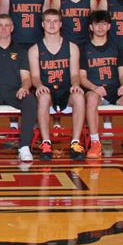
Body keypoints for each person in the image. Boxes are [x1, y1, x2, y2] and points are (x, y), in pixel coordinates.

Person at [79, 10, 123, 158]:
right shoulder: (83, 48)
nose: (100, 27)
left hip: (115, 91)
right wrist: (94, 88)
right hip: (96, 92)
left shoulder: (117, 47)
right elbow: (81, 77)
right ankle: (95, 143)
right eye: (97, 24)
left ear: (109, 26)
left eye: (104, 24)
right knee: (91, 98)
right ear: (91, 27)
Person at [0, 14, 37, 162]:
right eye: (0, 25)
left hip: (15, 92)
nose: (3, 28)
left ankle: (24, 147)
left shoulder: (21, 50)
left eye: (7, 25)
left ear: (12, 28)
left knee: (30, 101)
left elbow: (26, 78)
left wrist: (24, 87)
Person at [29, 9, 86, 160]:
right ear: (43, 24)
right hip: (47, 91)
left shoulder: (72, 47)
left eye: (55, 21)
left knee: (79, 96)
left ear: (60, 24)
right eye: (48, 21)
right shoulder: (34, 49)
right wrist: (39, 85)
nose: (52, 24)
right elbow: (34, 76)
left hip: (65, 90)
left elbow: (75, 74)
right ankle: (46, 143)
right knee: (43, 96)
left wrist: (76, 84)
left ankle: (75, 143)